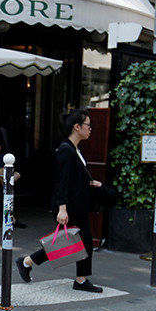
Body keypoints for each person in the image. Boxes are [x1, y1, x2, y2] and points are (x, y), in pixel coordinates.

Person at [14, 108, 104, 293]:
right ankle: (27, 261)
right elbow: (61, 181)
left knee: (82, 241)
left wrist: (89, 183)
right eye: (88, 125)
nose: (90, 129)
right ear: (77, 127)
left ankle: (80, 279)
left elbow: (73, 178)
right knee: (68, 242)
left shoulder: (74, 149)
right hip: (68, 206)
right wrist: (62, 209)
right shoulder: (66, 150)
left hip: (76, 206)